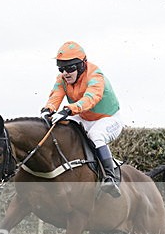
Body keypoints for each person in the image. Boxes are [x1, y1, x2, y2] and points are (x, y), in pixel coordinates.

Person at [41, 41, 123, 198]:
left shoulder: (95, 75)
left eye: (70, 68)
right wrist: (47, 110)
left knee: (96, 135)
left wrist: (68, 110)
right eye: (61, 69)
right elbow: (55, 96)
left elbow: (91, 98)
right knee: (62, 128)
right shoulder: (62, 79)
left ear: (82, 65)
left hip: (108, 119)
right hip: (84, 116)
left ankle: (109, 177)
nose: (65, 73)